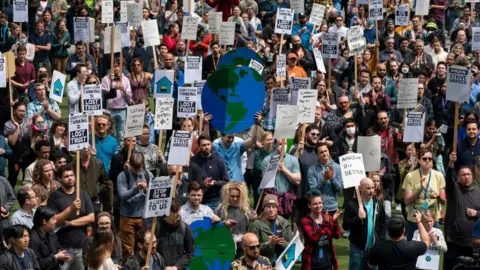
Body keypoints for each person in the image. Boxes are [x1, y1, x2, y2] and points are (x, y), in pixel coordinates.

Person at [47, 165, 95, 270]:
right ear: (59, 179)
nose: (70, 178)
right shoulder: (54, 196)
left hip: (81, 246)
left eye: (72, 175)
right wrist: (71, 208)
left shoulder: (82, 194)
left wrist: (70, 223)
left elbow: (91, 217)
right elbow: (54, 220)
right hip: (63, 248)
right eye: (66, 176)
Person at [444, 152, 480, 269]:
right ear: (458, 177)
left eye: (468, 174)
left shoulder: (478, 192)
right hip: (453, 240)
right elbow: (449, 179)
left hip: (471, 243)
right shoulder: (454, 189)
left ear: (472, 176)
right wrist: (451, 163)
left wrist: (477, 213)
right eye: (463, 175)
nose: (466, 177)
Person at [343, 178, 387, 270]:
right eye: (368, 188)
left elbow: (383, 224)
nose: (371, 190)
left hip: (374, 248)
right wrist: (358, 218)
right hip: (357, 248)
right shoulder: (352, 204)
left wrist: (381, 240)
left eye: (372, 188)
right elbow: (345, 225)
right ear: (360, 189)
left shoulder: (378, 204)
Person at [403, 149, 446, 240]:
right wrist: (420, 190)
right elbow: (407, 201)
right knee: (413, 249)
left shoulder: (439, 175)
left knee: (432, 249)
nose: (427, 161)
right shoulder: (410, 176)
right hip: (415, 218)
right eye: (424, 158)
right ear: (419, 160)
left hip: (432, 219)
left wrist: (438, 196)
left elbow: (443, 202)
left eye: (430, 159)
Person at [117, 152, 153, 262]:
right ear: (129, 165)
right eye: (135, 169)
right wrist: (136, 189)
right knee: (128, 250)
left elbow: (154, 196)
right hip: (128, 217)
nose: (137, 172)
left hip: (144, 217)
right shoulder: (123, 176)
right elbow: (122, 195)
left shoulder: (148, 175)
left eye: (139, 169)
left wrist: (146, 189)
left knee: (145, 247)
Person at [300, 189, 342, 270]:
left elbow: (337, 235)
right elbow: (314, 238)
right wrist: (326, 223)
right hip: (312, 264)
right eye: (315, 204)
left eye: (320, 203)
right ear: (309, 206)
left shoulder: (327, 218)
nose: (318, 206)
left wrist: (335, 221)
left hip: (327, 263)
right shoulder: (305, 221)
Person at [213, 113, 260, 181]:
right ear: (222, 136)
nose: (231, 140)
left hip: (237, 182)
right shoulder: (215, 146)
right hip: (223, 183)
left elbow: (253, 141)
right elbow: (204, 141)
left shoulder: (238, 145)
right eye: (229, 137)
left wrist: (256, 125)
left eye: (233, 137)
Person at [248, 194, 293, 263]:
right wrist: (268, 244)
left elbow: (291, 245)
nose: (271, 209)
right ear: (264, 208)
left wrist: (281, 242)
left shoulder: (285, 223)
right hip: (262, 262)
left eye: (273, 207)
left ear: (277, 209)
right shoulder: (256, 224)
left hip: (282, 262)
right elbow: (250, 248)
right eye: (268, 207)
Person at [215, 182, 256, 257]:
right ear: (227, 195)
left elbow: (251, 229)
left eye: (238, 196)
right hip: (226, 244)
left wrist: (254, 219)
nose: (235, 198)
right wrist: (224, 224)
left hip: (243, 246)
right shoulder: (221, 210)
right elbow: (214, 229)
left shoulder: (246, 210)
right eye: (232, 196)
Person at [190, 135, 229, 209]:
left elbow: (226, 181)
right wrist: (202, 184)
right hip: (197, 201)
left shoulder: (219, 160)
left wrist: (215, 183)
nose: (206, 147)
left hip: (215, 200)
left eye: (208, 144)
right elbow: (190, 181)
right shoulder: (193, 161)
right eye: (204, 145)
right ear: (199, 146)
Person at [155, 200, 195, 269]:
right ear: (166, 213)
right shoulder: (156, 228)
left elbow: (190, 253)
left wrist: (176, 267)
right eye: (174, 212)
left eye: (179, 210)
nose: (178, 214)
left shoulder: (185, 227)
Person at [29, 205, 72, 270]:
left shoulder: (51, 232)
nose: (56, 221)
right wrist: (56, 257)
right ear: (44, 221)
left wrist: (62, 253)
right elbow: (37, 263)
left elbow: (57, 247)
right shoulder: (32, 239)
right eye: (53, 219)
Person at [4, 102, 34, 189]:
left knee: (28, 180)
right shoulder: (8, 125)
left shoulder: (29, 123)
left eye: (24, 111)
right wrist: (17, 127)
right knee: (12, 180)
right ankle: (7, 198)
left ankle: (26, 198)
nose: (22, 113)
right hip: (15, 158)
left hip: (28, 156)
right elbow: (12, 142)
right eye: (20, 111)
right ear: (14, 111)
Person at [308, 143, 343, 214]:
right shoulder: (312, 169)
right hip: (318, 208)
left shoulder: (337, 167)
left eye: (325, 151)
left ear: (328, 151)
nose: (324, 154)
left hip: (333, 207)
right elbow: (314, 192)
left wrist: (332, 178)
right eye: (321, 152)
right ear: (317, 154)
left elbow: (340, 189)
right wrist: (324, 181)